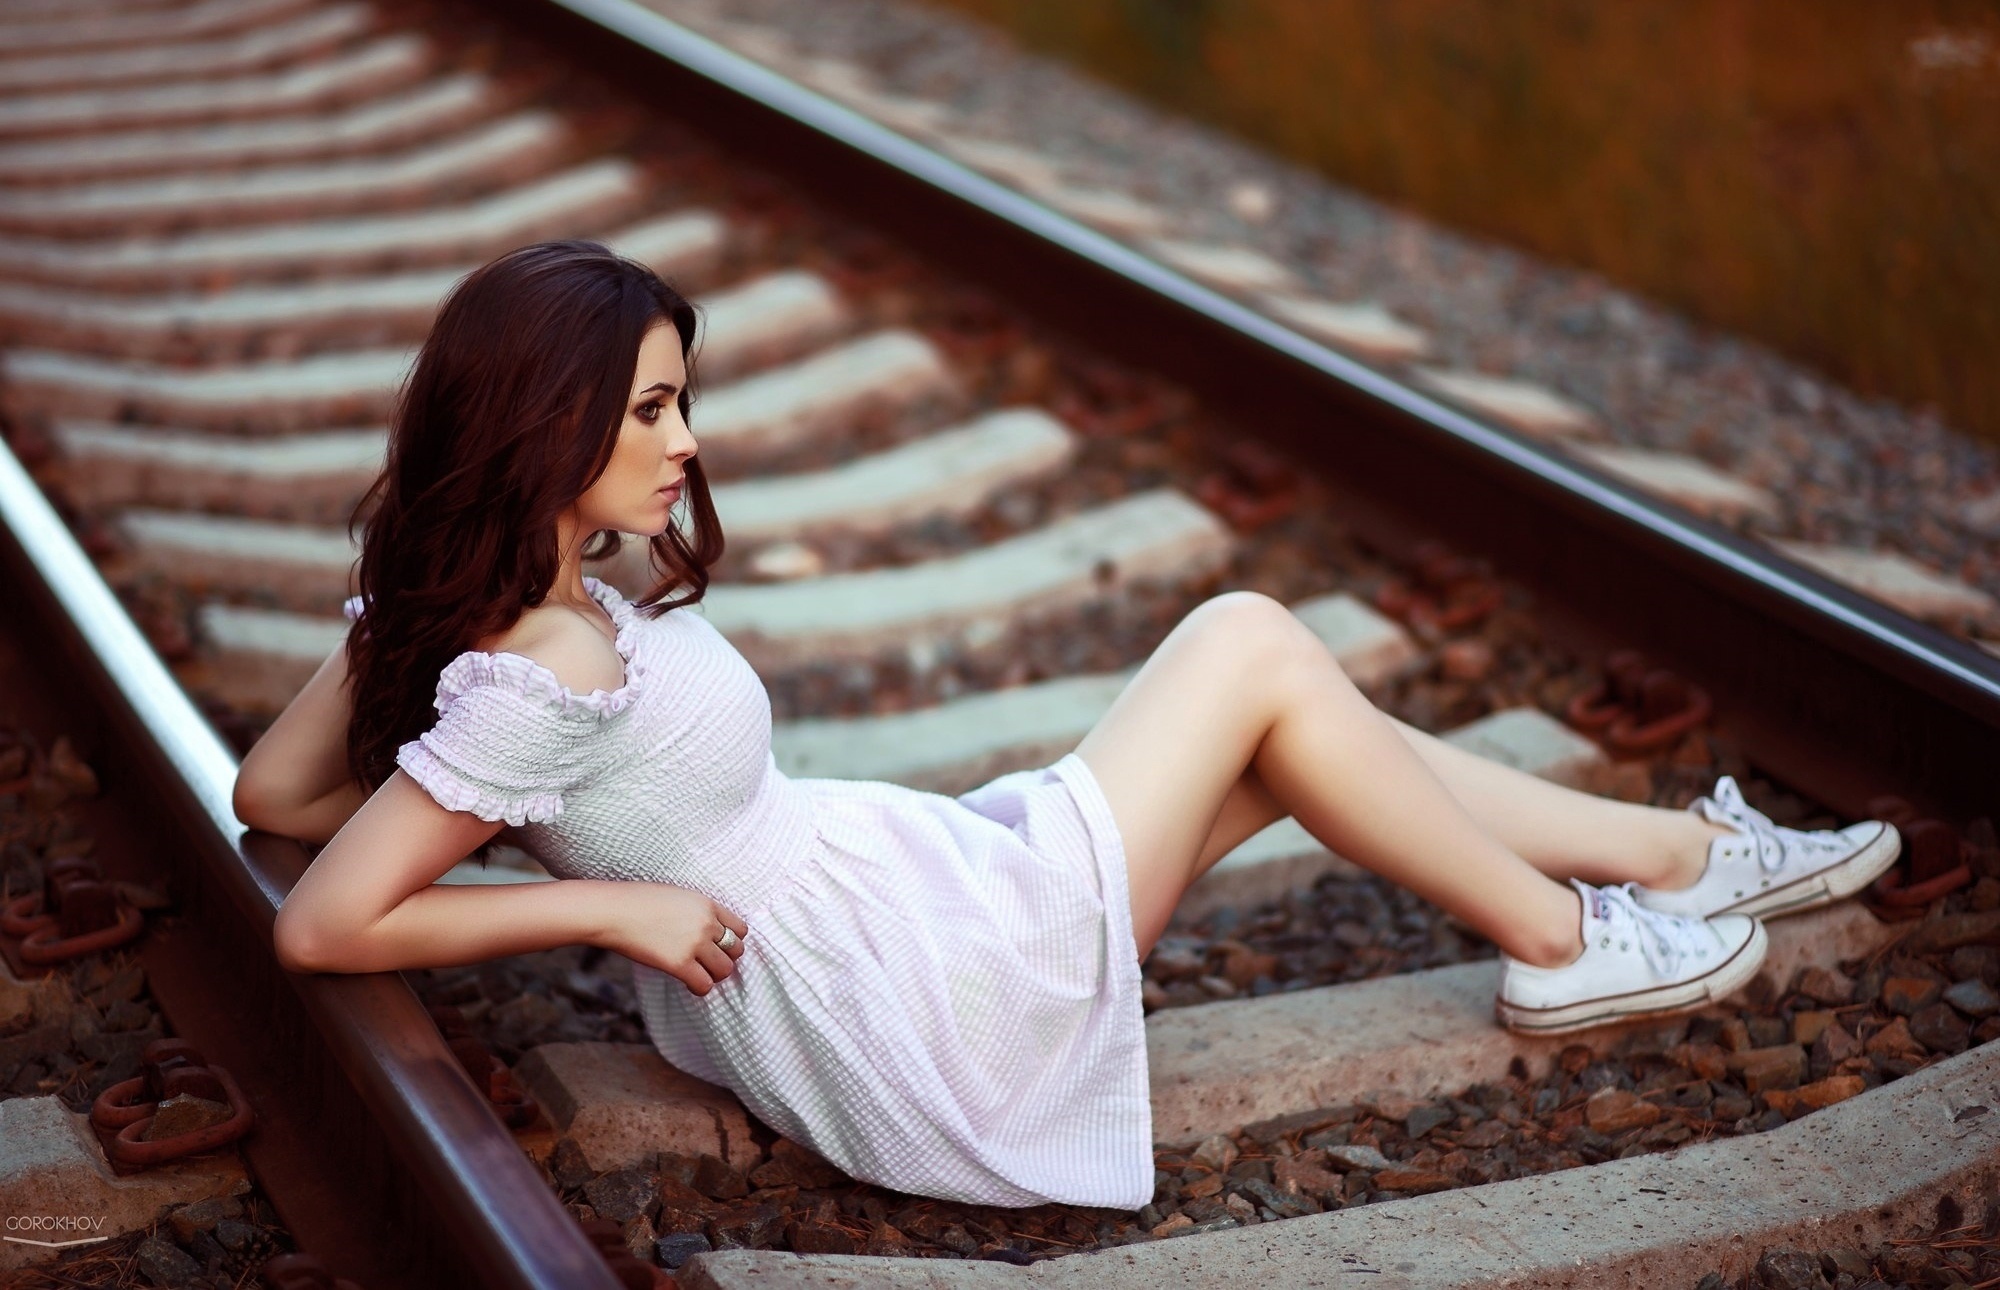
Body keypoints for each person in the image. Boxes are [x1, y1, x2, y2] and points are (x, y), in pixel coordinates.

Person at [235, 240, 1902, 1211]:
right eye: (654, 406)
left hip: (897, 916)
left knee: (1284, 731)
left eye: (684, 397)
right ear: (548, 422)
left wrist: (392, 597)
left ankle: (1686, 854)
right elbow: (325, 913)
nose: (686, 440)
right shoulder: (534, 678)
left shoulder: (526, 620)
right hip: (911, 1002)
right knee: (1248, 640)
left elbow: (271, 788)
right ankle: (1565, 938)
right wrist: (612, 904)